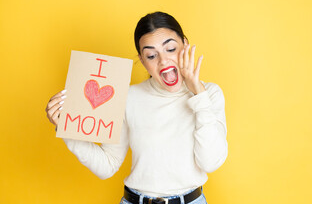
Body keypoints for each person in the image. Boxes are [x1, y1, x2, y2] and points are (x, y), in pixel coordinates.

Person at [45, 12, 228, 204]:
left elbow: (210, 162)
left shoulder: (209, 94)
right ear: (142, 60)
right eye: (151, 55)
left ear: (185, 44)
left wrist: (198, 94)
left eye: (171, 49)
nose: (163, 61)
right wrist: (66, 128)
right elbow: (107, 165)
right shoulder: (127, 97)